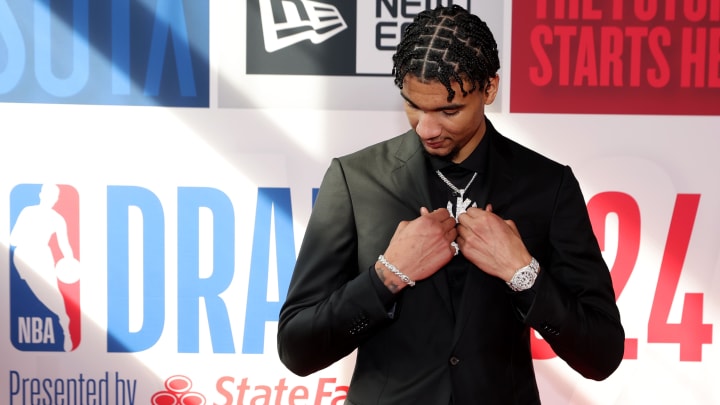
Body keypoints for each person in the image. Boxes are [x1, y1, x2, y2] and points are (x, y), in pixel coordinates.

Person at [277, 5, 624, 404]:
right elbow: (297, 349)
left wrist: (523, 273)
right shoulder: (355, 180)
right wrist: (387, 276)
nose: (427, 128)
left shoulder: (547, 185)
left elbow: (602, 355)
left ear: (489, 89)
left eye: (449, 110)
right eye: (413, 105)